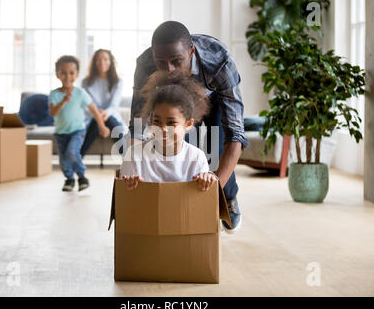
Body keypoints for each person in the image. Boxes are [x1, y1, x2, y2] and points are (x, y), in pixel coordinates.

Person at [129, 21, 249, 233]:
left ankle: (228, 196)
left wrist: (212, 193)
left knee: (215, 149)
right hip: (173, 106)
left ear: (191, 51)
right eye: (162, 62)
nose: (169, 69)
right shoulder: (146, 64)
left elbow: (235, 133)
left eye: (176, 61)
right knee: (177, 148)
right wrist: (130, 169)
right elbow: (137, 125)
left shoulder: (219, 61)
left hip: (212, 101)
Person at [120, 71, 217, 192]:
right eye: (157, 121)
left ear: (188, 124)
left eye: (171, 123)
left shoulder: (197, 158)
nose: (163, 129)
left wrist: (207, 179)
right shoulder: (134, 155)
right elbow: (124, 199)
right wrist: (129, 186)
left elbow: (201, 198)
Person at [49, 55, 110, 192]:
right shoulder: (54, 94)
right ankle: (69, 179)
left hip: (77, 131)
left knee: (72, 153)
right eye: (63, 72)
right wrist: (63, 101)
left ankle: (82, 177)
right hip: (60, 133)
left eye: (71, 73)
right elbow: (52, 112)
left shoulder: (80, 93)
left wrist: (101, 125)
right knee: (63, 160)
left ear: (76, 75)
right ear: (57, 74)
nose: (67, 76)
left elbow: (94, 110)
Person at [80, 49, 125, 156]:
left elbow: (114, 105)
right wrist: (98, 115)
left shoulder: (117, 82)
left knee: (111, 121)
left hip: (110, 116)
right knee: (96, 122)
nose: (102, 62)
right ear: (94, 62)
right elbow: (87, 106)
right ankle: (128, 161)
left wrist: (104, 113)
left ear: (111, 62)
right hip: (92, 118)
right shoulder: (86, 82)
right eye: (98, 60)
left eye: (105, 59)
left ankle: (77, 161)